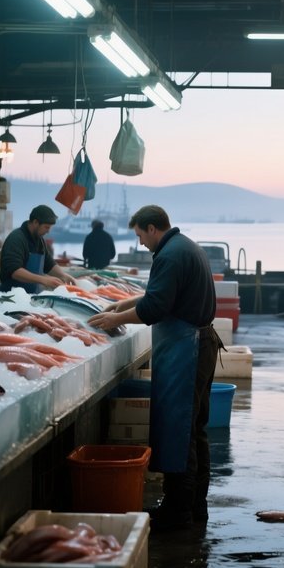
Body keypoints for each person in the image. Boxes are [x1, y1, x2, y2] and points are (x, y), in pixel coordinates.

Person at [87, 205, 220, 532]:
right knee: (194, 429)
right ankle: (195, 506)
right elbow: (163, 296)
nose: (141, 243)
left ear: (152, 228)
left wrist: (116, 318)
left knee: (180, 430)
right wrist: (127, 303)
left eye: (139, 235)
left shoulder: (169, 255)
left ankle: (179, 513)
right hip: (200, 343)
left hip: (187, 348)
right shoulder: (184, 245)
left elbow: (157, 307)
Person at [0, 204, 75, 292]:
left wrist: (63, 276)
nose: (48, 231)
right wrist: (44, 280)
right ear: (35, 222)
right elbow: (14, 271)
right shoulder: (16, 239)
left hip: (32, 296)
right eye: (46, 227)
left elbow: (49, 264)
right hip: (12, 295)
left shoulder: (40, 240)